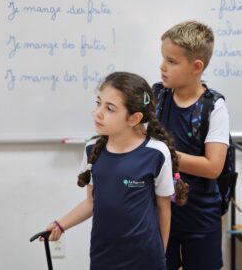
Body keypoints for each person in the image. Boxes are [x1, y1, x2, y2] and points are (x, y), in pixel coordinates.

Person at [43, 71, 189, 270]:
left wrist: (160, 256)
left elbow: (164, 208)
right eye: (98, 103)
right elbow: (91, 202)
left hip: (146, 259)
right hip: (103, 256)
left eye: (110, 108)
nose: (98, 113)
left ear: (134, 118)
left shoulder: (156, 153)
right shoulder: (92, 149)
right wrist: (61, 224)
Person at [152, 20, 229, 270]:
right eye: (163, 58)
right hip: (161, 214)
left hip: (201, 218)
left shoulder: (214, 107)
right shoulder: (155, 97)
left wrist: (166, 154)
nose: (162, 67)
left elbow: (213, 167)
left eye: (171, 62)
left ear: (197, 67)